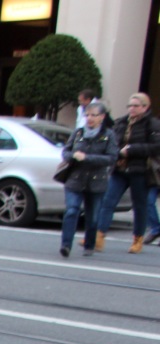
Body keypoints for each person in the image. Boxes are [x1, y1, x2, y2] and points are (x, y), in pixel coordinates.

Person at [95, 92, 160, 253]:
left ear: (145, 107)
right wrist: (115, 152)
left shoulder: (152, 124)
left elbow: (156, 147)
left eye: (136, 106)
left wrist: (131, 150)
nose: (132, 109)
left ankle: (137, 239)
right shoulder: (122, 122)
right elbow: (112, 142)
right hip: (119, 169)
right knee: (108, 202)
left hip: (140, 170)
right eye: (130, 105)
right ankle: (99, 236)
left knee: (140, 205)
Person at [59, 102, 117, 258]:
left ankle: (89, 244)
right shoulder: (78, 133)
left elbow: (112, 158)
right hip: (75, 180)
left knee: (93, 217)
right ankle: (66, 245)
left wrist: (87, 158)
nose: (90, 118)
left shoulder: (108, 135)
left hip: (96, 181)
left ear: (102, 117)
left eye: (94, 115)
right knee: (71, 210)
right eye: (87, 115)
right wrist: (72, 156)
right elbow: (66, 152)